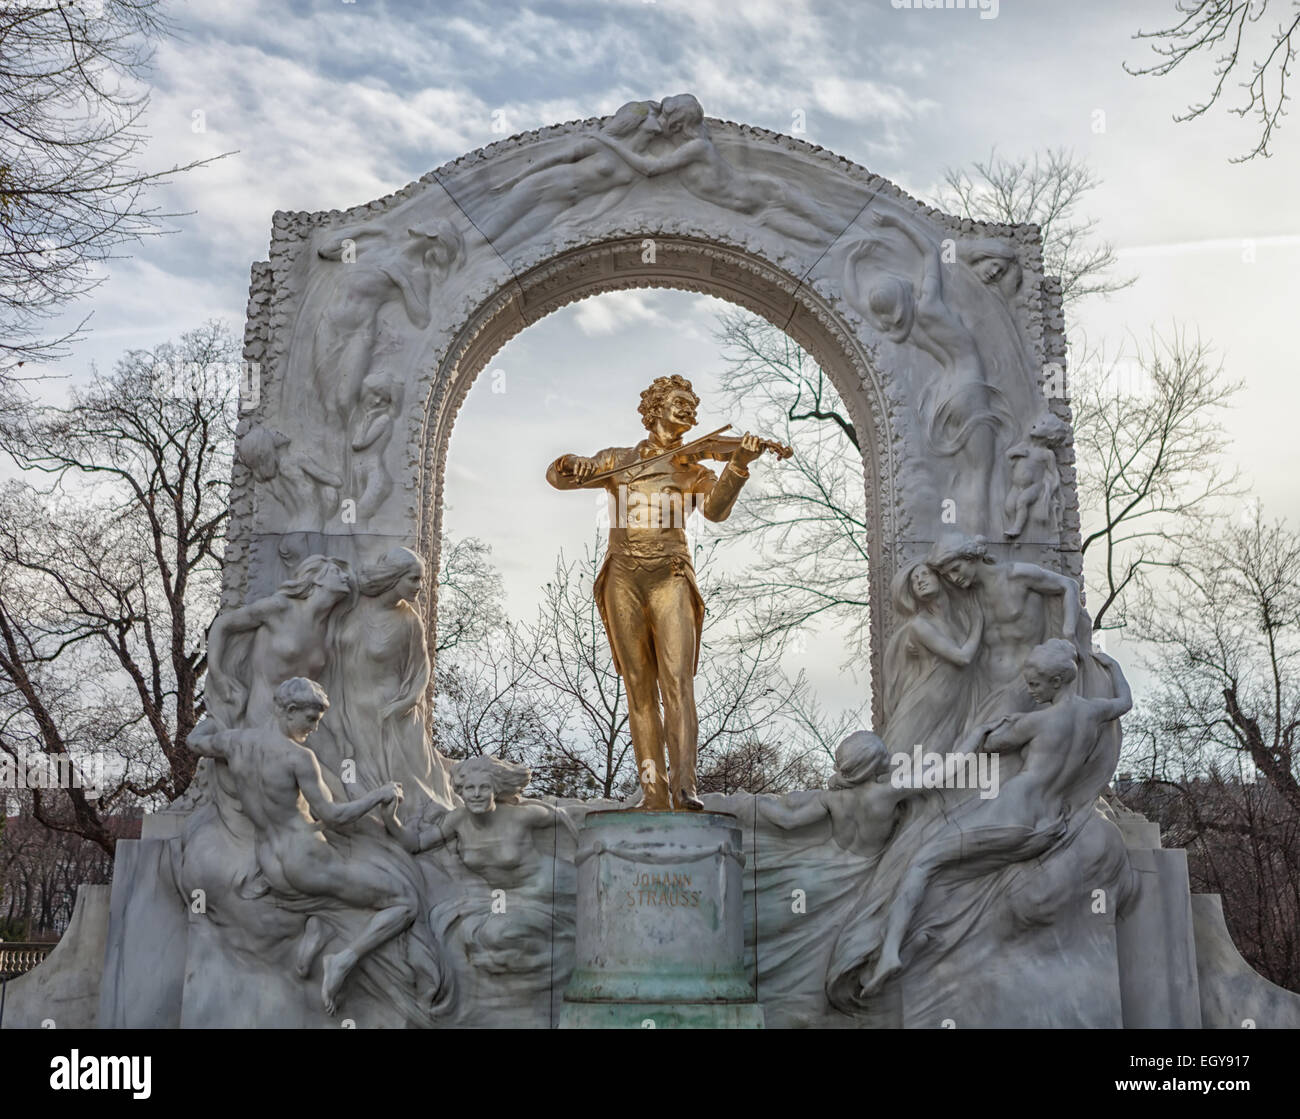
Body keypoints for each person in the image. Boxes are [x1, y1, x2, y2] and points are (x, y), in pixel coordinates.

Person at [857, 640, 1131, 996]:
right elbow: (1125, 702)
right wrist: (1110, 665)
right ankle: (929, 935)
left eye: (1035, 684)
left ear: (1058, 681)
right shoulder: (1092, 712)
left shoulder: (1036, 722)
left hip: (1013, 811)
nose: (1030, 690)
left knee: (922, 862)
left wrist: (990, 726)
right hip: (1047, 825)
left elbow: (988, 744)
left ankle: (890, 952)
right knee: (957, 871)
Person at [545, 374, 769, 810]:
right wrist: (567, 463)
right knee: (637, 685)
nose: (689, 410)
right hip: (623, 575)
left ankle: (686, 786)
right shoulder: (618, 459)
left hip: (670, 572)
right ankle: (652, 790)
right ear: (655, 409)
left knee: (678, 681)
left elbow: (717, 512)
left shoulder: (695, 469)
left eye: (691, 404)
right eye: (679, 402)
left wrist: (737, 464)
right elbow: (560, 479)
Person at [189, 678, 419, 1016]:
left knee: (337, 892)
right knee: (404, 900)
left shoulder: (234, 742)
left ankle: (318, 928)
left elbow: (194, 741)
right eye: (310, 719)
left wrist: (213, 719)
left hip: (270, 864)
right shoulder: (299, 758)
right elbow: (332, 815)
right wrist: (378, 795)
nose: (313, 728)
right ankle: (342, 960)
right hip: (306, 858)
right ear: (289, 710)